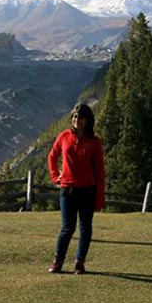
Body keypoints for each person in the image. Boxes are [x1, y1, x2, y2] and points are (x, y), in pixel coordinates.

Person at [47, 102, 106, 274]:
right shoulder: (64, 136)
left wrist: (100, 197)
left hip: (88, 190)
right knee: (67, 227)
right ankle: (58, 261)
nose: (76, 120)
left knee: (85, 227)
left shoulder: (94, 142)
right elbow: (52, 156)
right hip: (68, 189)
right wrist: (54, 176)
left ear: (87, 120)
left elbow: (100, 172)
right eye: (74, 116)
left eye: (80, 117)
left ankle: (80, 262)